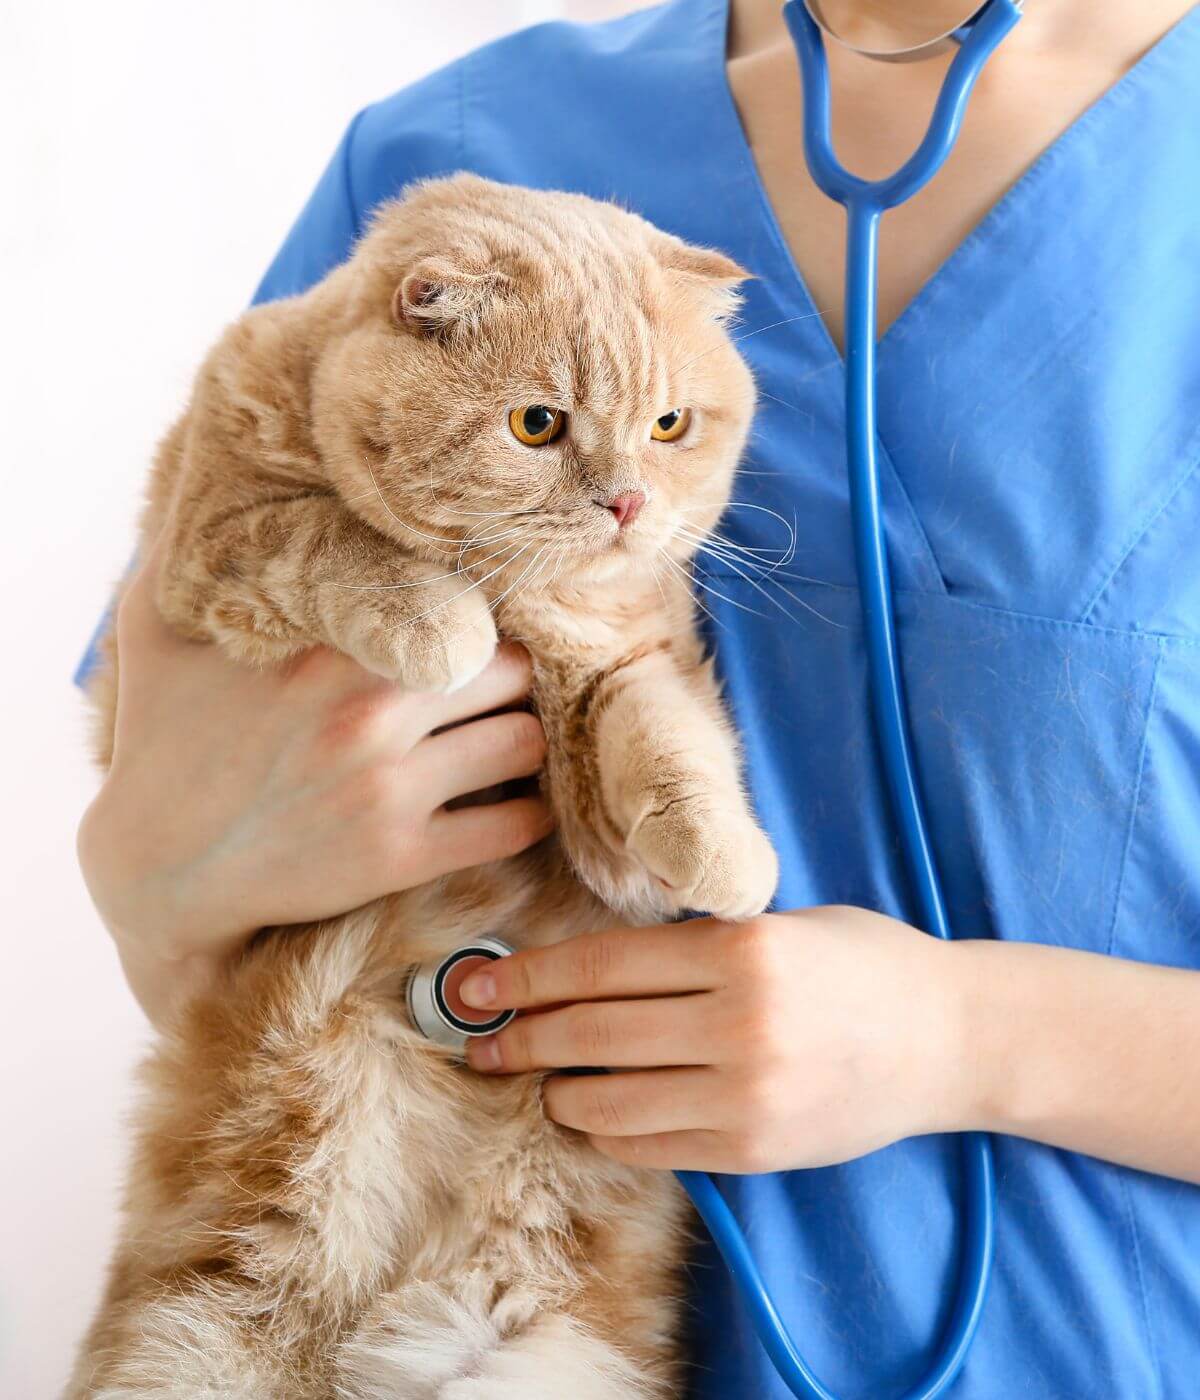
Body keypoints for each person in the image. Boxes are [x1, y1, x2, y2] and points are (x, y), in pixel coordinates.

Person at [76, 0, 1200, 1394]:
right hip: (456, 1315)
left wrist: (973, 1039)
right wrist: (150, 877)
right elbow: (186, 831)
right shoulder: (464, 150)